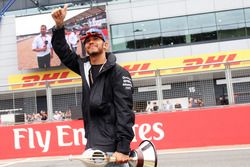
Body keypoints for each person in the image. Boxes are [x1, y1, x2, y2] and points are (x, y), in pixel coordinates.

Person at [51, 4, 135, 167]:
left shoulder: (119, 73)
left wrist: (123, 148)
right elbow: (62, 51)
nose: (90, 42)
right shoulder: (84, 67)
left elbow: (125, 112)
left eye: (95, 38)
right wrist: (60, 25)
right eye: (87, 41)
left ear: (105, 45)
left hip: (113, 149)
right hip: (92, 145)